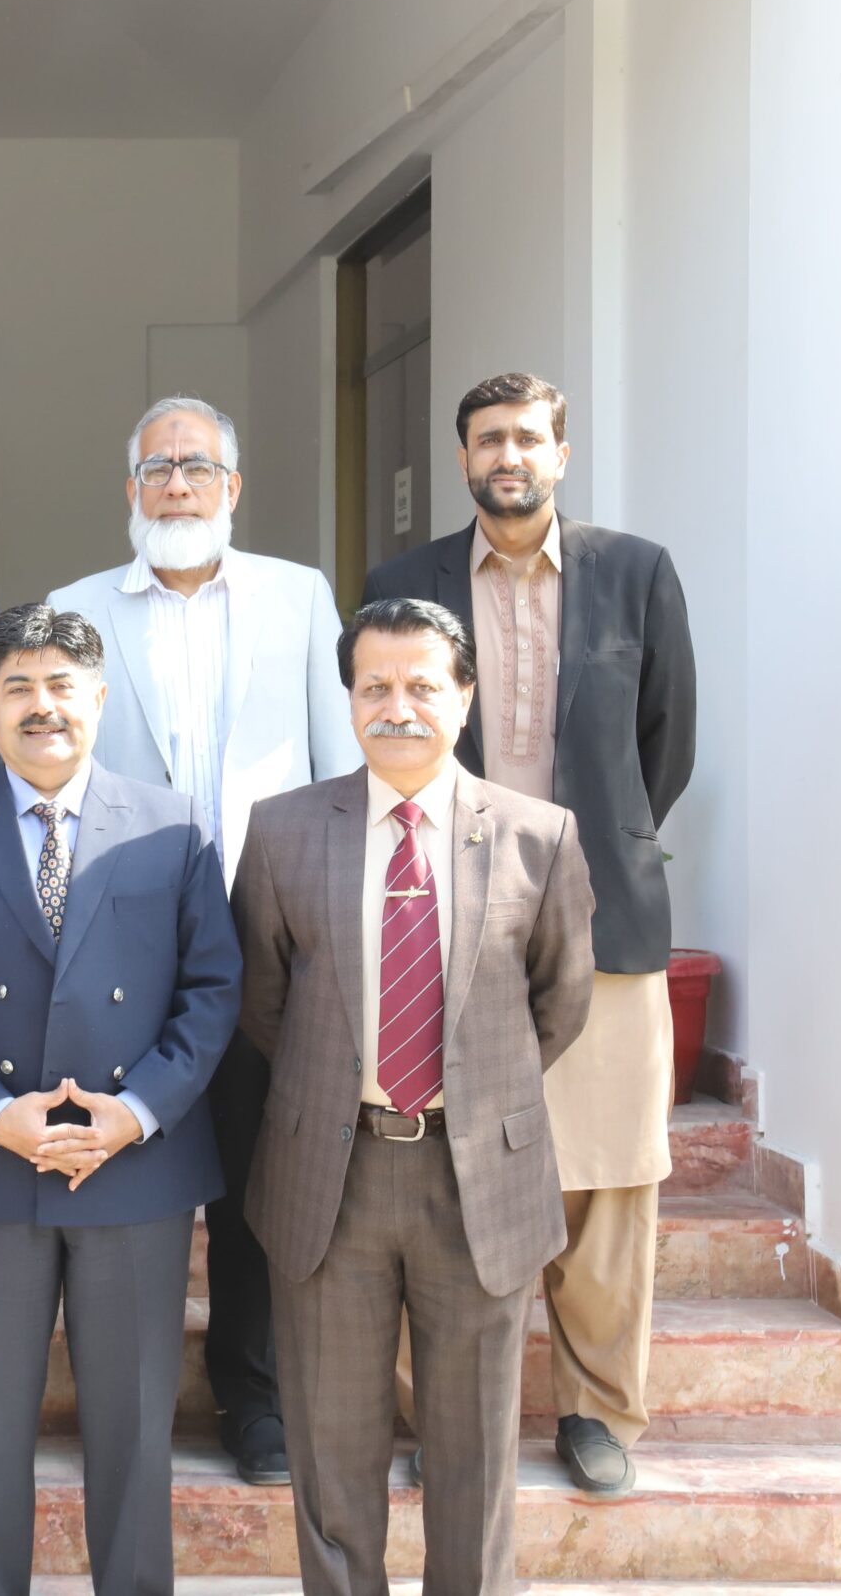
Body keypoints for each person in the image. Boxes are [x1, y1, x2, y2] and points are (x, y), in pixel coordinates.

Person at [363, 371, 695, 1495]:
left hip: (604, 922)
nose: (508, 454)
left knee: (607, 1180)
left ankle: (596, 1413)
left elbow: (664, 744)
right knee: (441, 1179)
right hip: (440, 923)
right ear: (462, 458)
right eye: (487, 438)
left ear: (560, 453)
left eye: (527, 437)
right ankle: (447, 1415)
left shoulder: (635, 573)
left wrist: (588, 854)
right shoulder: (401, 584)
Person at [0, 603, 239, 1596]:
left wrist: (137, 1110)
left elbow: (213, 991)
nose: (43, 707)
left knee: (134, 1428)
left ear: (99, 697)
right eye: (18, 689)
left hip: (136, 1168)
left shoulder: (172, 825)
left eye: (61, 685)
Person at [235, 597, 595, 1596]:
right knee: (330, 1453)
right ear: (348, 698)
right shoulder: (282, 831)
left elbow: (559, 1002)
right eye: (374, 686)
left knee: (473, 1464)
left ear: (465, 695)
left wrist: (470, 1090)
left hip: (477, 1178)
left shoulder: (537, 836)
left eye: (422, 685)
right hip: (330, 1176)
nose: (397, 706)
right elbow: (263, 1002)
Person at [46, 395, 358, 1486]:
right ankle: (122, 1395)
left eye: (195, 465)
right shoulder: (76, 609)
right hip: (125, 932)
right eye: (156, 468)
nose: (175, 484)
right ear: (129, 489)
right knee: (136, 1168)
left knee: (262, 1169)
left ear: (233, 485)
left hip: (275, 929)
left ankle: (252, 1396)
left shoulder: (298, 596)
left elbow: (335, 761)